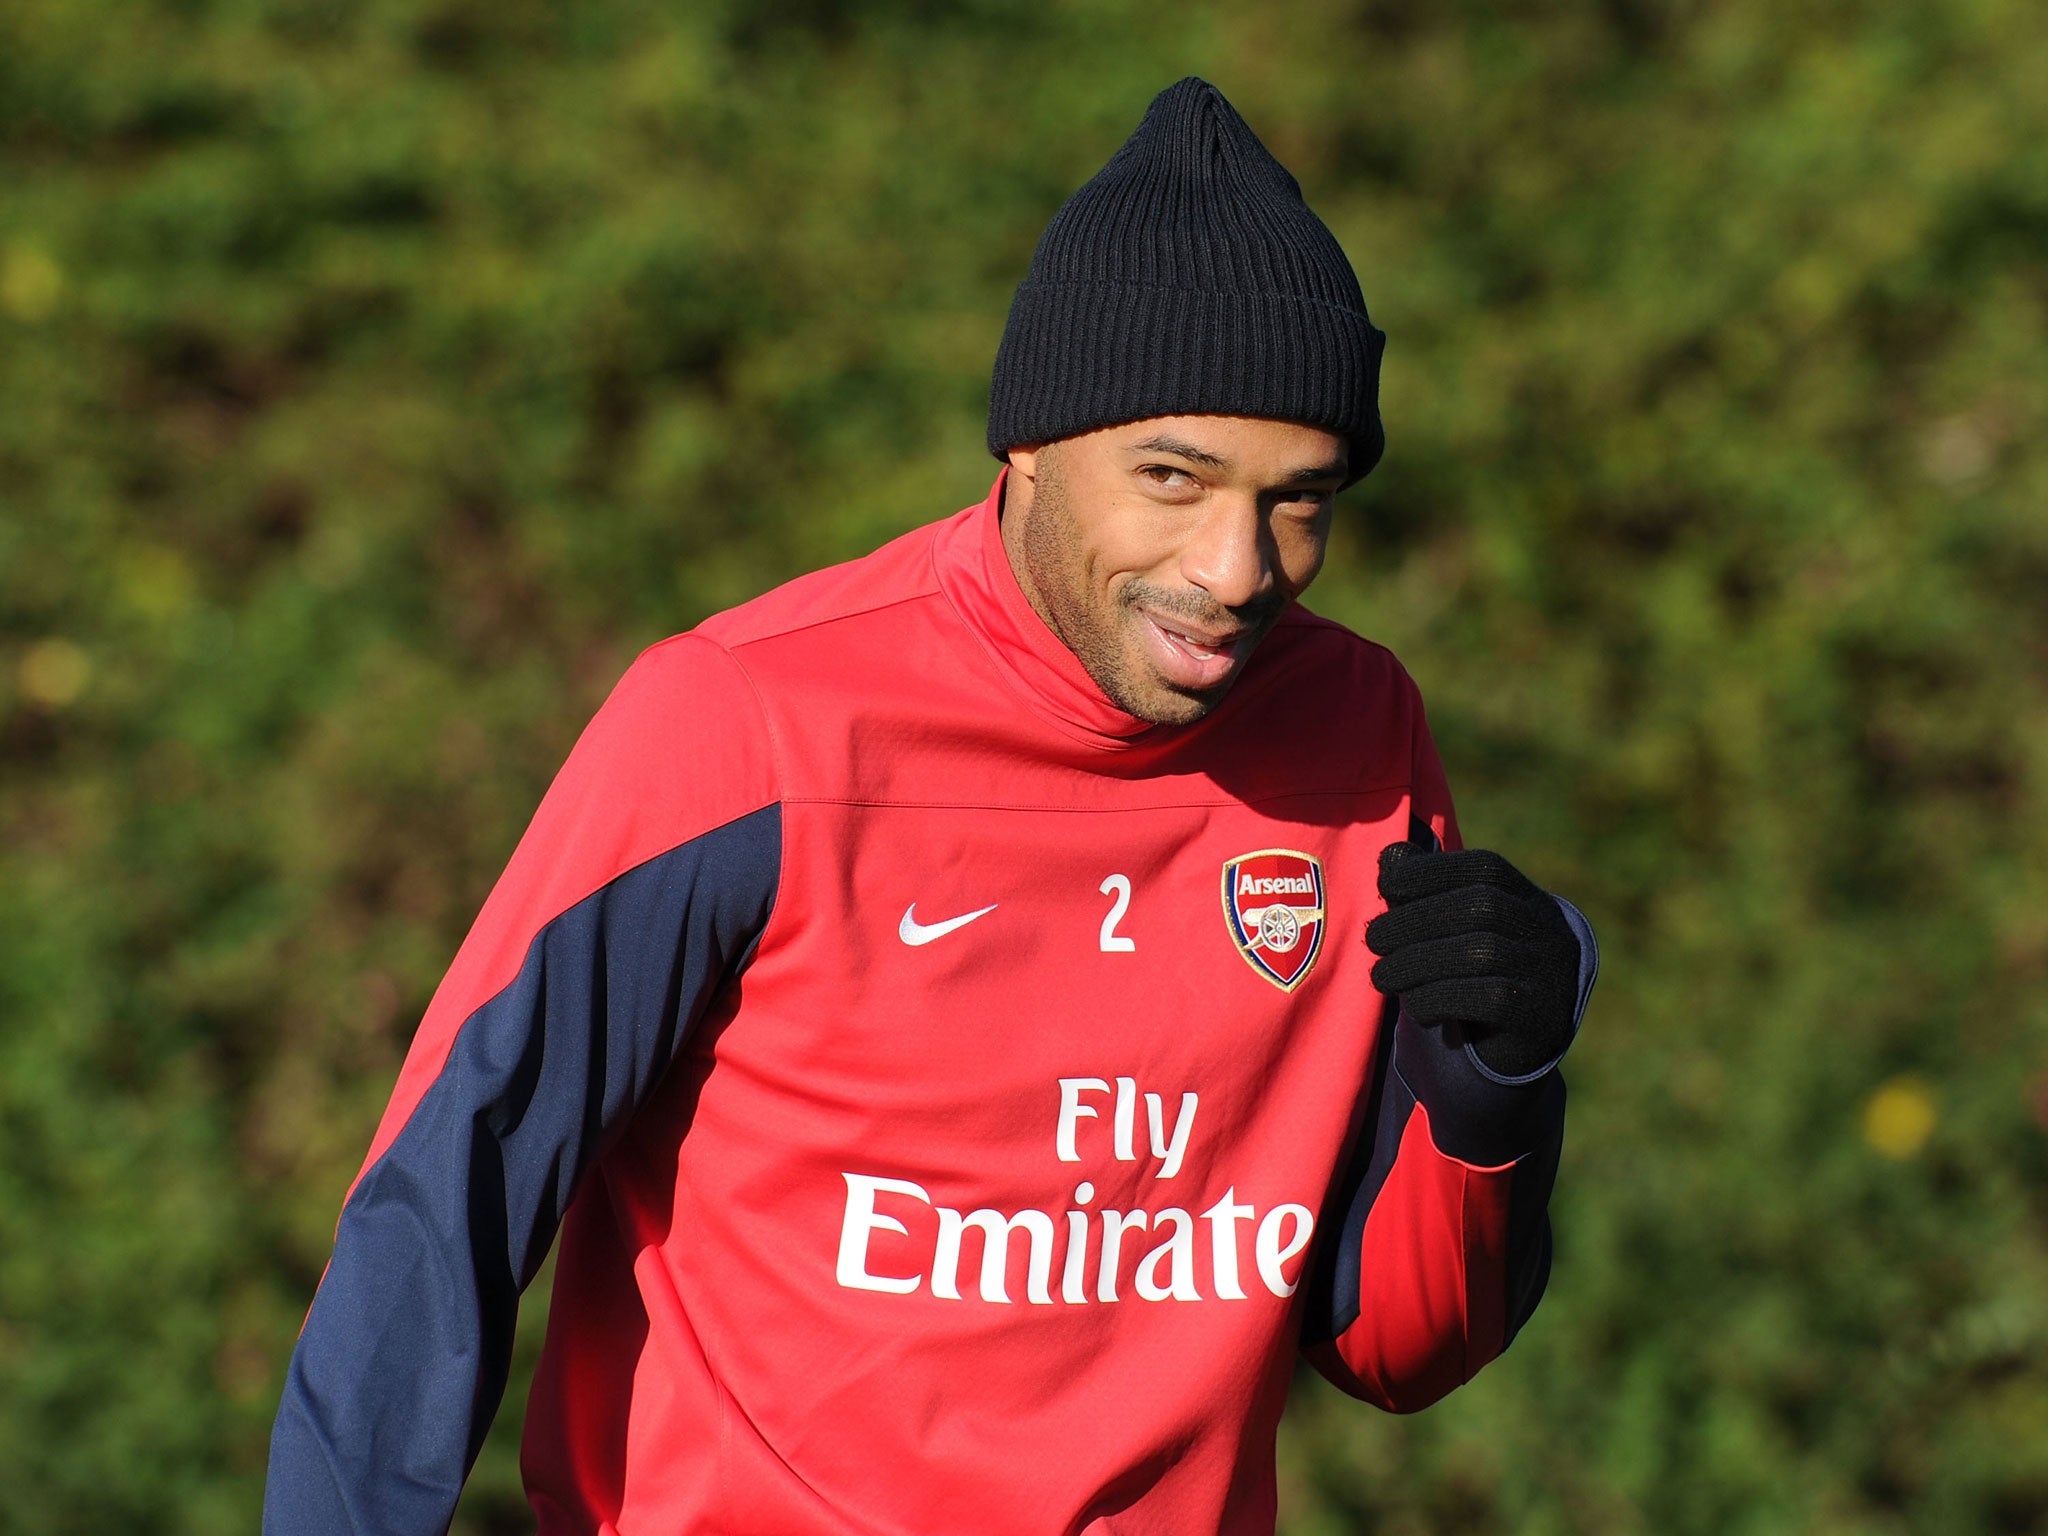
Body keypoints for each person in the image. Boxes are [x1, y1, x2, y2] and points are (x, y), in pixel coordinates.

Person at [264, 77, 1597, 1535]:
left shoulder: (1363, 736)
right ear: (1026, 443)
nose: (1235, 568)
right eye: (1173, 477)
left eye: (1300, 500)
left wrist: (1493, 1092)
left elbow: (1394, 1349)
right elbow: (441, 1207)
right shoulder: (748, 722)